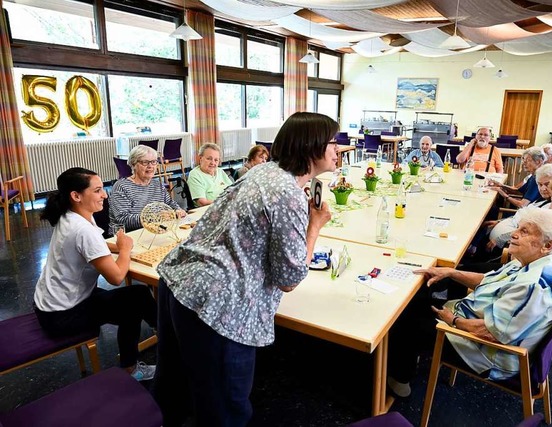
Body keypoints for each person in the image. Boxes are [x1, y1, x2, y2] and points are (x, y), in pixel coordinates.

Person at [153, 112, 336, 427]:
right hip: (218, 306)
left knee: (177, 391)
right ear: (312, 147)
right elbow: (289, 279)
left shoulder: (264, 172)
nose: (338, 149)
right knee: (226, 410)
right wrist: (315, 226)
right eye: (332, 142)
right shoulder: (287, 192)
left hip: (180, 282)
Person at [387, 207, 552, 397]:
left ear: (548, 245)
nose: (514, 234)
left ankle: (398, 382)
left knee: (403, 321)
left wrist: (452, 321)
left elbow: (493, 334)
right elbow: (489, 280)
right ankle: (408, 358)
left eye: (524, 232)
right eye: (518, 228)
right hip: (475, 318)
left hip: (487, 354)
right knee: (417, 301)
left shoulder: (533, 285)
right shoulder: (533, 260)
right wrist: (451, 272)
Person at [33, 168, 158, 381]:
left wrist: (118, 248)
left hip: (50, 303)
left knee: (138, 296)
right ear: (76, 195)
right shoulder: (83, 229)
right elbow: (117, 277)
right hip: (62, 315)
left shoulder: (71, 215)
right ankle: (138, 363)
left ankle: (167, 335)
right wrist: (125, 248)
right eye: (98, 190)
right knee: (135, 303)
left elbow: (92, 249)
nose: (105, 195)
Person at [485, 164, 552, 251]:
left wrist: (500, 239)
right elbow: (523, 214)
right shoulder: (543, 199)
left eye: (547, 184)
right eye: (539, 185)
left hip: (508, 247)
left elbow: (531, 232)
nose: (543, 188)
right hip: (504, 235)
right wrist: (499, 221)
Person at [109, 145, 186, 231]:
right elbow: (123, 219)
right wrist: (154, 217)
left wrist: (177, 210)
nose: (150, 166)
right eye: (145, 162)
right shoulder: (121, 187)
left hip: (154, 230)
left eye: (153, 162)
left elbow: (170, 203)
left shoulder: (157, 185)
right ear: (133, 164)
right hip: (128, 235)